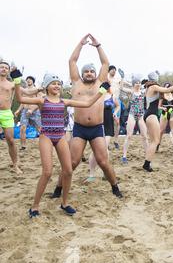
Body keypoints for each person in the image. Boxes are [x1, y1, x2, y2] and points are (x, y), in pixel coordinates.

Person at [13, 70, 108, 217]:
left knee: (68, 171)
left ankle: (64, 203)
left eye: (58, 83)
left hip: (60, 136)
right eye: (53, 83)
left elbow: (88, 103)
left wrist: (101, 91)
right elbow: (19, 98)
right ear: (46, 86)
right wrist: (17, 81)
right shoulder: (41, 100)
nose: (57, 86)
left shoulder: (65, 101)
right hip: (46, 135)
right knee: (47, 172)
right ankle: (34, 207)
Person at [52, 34, 122, 199]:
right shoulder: (76, 82)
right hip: (80, 129)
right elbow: (72, 61)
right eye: (87, 72)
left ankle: (115, 188)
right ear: (82, 74)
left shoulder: (100, 82)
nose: (89, 73)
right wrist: (80, 44)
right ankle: (57, 190)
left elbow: (105, 62)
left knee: (104, 162)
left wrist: (98, 46)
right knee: (72, 162)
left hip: (97, 129)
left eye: (92, 71)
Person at [142, 72, 173, 172]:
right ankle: (147, 164)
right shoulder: (153, 86)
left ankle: (147, 163)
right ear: (155, 79)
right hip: (151, 114)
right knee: (155, 141)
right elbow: (167, 90)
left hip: (149, 114)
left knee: (153, 141)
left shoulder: (149, 87)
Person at [86, 82, 120, 181]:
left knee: (104, 147)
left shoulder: (112, 96)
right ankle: (92, 174)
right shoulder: (97, 97)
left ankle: (105, 172)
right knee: (95, 150)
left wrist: (115, 113)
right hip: (97, 124)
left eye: (106, 86)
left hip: (108, 124)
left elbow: (118, 106)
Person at [0, 61, 23, 174]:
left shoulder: (12, 84)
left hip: (6, 113)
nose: (3, 69)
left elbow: (25, 92)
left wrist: (39, 90)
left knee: (11, 140)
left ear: (8, 71)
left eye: (6, 68)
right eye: (1, 67)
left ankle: (15, 165)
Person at [121, 77, 148, 164]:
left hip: (141, 115)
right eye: (136, 82)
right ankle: (124, 156)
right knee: (129, 135)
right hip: (132, 114)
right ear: (133, 84)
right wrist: (122, 79)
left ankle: (148, 155)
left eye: (139, 82)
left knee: (144, 136)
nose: (138, 84)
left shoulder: (143, 92)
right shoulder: (131, 92)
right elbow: (121, 88)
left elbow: (151, 88)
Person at [15, 76, 42, 150]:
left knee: (39, 128)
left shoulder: (37, 90)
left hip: (35, 111)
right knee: (22, 128)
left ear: (33, 81)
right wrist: (18, 111)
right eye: (27, 80)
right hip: (25, 111)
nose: (29, 81)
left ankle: (44, 143)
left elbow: (40, 101)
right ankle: (23, 146)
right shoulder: (24, 90)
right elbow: (22, 102)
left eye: (30, 80)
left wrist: (32, 110)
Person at [158, 83, 173, 153]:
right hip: (164, 114)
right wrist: (162, 108)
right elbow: (158, 106)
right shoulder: (162, 95)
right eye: (166, 87)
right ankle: (157, 146)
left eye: (168, 87)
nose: (167, 88)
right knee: (161, 131)